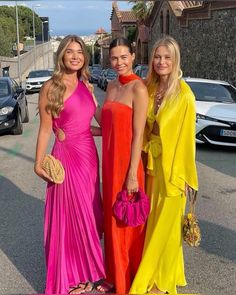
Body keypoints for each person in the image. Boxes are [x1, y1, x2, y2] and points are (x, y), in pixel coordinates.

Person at [34, 35, 105, 294]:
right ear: (61, 56)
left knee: (89, 213)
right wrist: (38, 162)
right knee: (71, 217)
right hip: (65, 157)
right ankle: (70, 275)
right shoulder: (50, 87)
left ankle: (87, 275)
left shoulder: (87, 86)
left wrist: (109, 130)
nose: (75, 56)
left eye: (79, 52)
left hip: (88, 157)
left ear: (84, 57)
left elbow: (91, 127)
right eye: (69, 52)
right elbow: (44, 130)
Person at [130, 36, 198, 294]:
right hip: (150, 166)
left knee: (166, 229)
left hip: (173, 172)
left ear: (175, 60)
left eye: (167, 57)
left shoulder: (185, 96)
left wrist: (187, 180)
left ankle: (158, 282)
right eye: (157, 57)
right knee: (153, 224)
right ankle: (162, 273)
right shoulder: (148, 88)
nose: (161, 61)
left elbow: (187, 141)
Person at [95, 37, 149, 294]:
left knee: (125, 222)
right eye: (114, 58)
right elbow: (106, 122)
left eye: (124, 57)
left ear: (133, 56)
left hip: (127, 164)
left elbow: (138, 134)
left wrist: (132, 175)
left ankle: (127, 281)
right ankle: (113, 276)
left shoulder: (138, 88)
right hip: (109, 161)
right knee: (111, 218)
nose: (119, 62)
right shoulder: (112, 85)